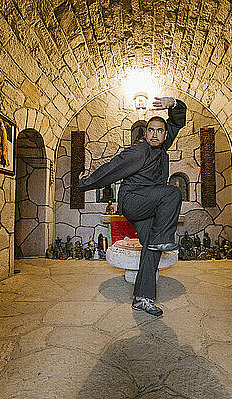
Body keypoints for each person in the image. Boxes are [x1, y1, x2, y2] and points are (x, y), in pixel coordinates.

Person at [78, 96, 187, 316]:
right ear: (145, 134)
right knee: (173, 193)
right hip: (132, 201)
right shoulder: (139, 151)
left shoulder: (163, 146)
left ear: (165, 135)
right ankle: (163, 239)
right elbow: (112, 169)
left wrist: (174, 104)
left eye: (160, 131)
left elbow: (177, 122)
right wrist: (85, 183)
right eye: (151, 130)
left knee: (152, 247)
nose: (155, 134)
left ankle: (142, 298)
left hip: (150, 204)